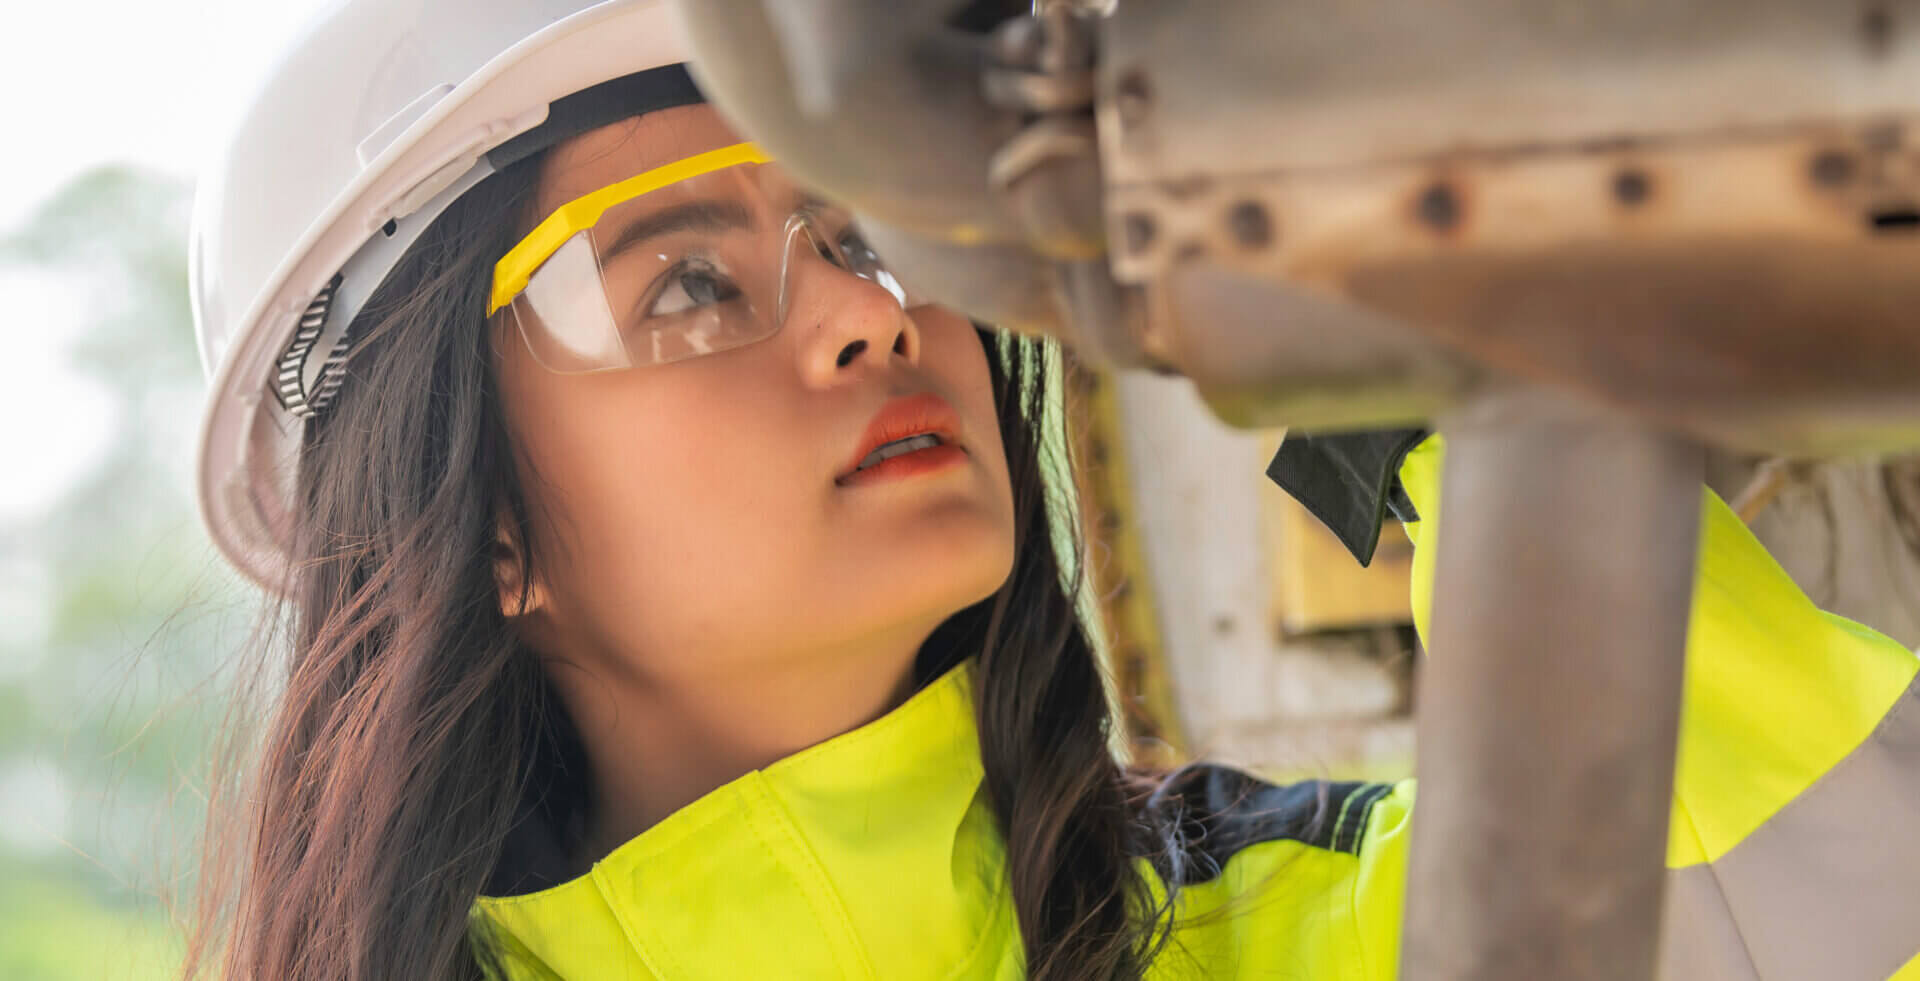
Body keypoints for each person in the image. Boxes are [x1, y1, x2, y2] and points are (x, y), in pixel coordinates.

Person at [185, 2, 1920, 978]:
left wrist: (1385, 302)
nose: (876, 315)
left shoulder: (1277, 932)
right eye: (687, 282)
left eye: (869, 234)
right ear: (480, 523)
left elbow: (1819, 910)